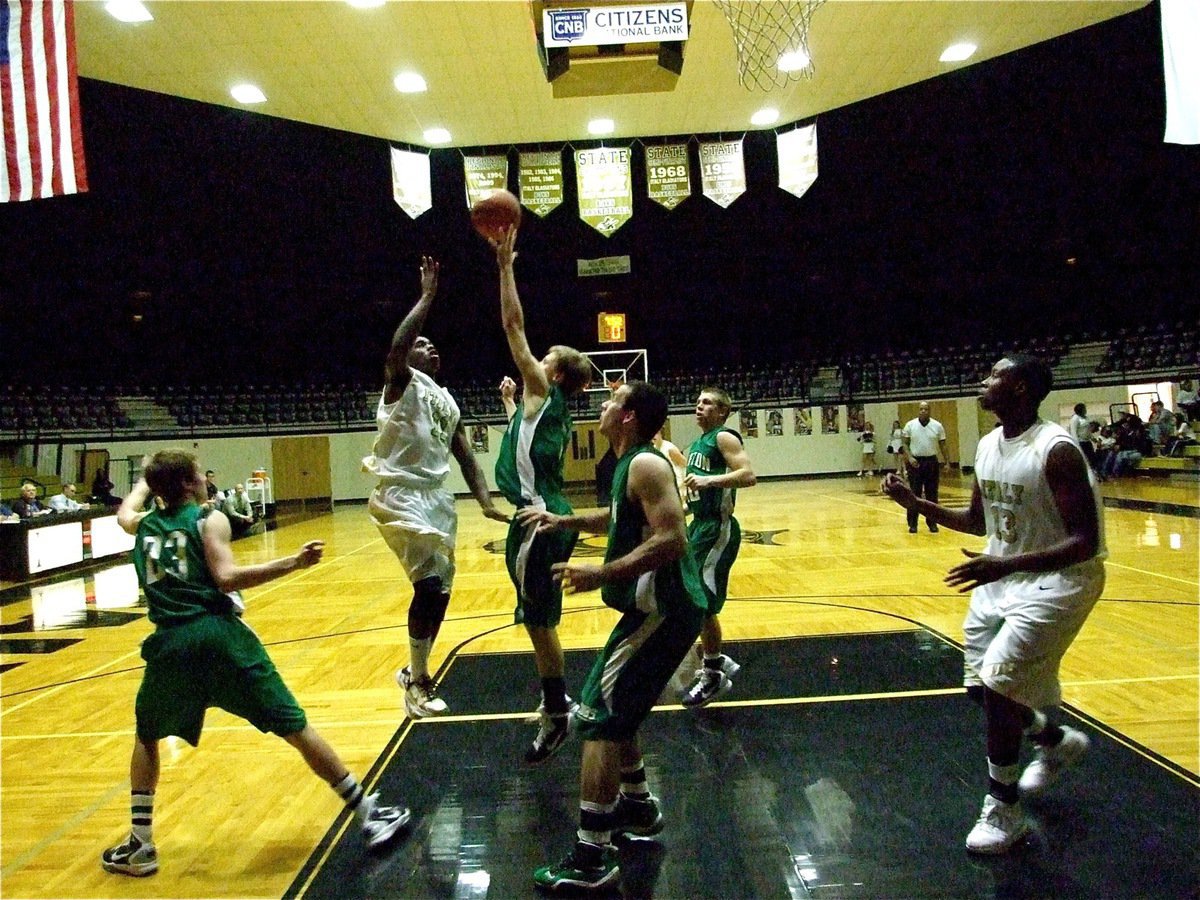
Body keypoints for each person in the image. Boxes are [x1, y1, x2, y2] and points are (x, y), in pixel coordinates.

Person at [100, 450, 410, 878]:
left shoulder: (144, 526)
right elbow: (226, 578)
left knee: (147, 736)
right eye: (199, 475)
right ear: (190, 484)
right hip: (219, 640)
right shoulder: (209, 520)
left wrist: (142, 485)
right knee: (294, 725)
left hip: (169, 646)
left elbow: (124, 515)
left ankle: (141, 844)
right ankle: (368, 813)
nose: (207, 480)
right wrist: (292, 563)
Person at [882, 355, 1105, 855]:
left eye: (994, 377)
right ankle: (1053, 740)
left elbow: (1085, 542)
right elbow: (979, 523)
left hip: (1060, 582)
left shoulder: (1057, 451)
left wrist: (1003, 566)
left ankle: (1004, 811)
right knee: (983, 693)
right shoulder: (987, 444)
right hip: (1003, 577)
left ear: (1021, 388)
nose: (983, 383)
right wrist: (915, 506)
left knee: (1001, 687)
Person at [517, 382, 705, 891]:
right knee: (615, 706)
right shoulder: (628, 464)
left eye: (611, 401)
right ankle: (638, 807)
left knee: (596, 716)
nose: (601, 405)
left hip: (663, 612)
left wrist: (601, 574)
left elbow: (672, 538)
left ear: (629, 417)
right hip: (655, 611)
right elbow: (621, 517)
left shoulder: (646, 463)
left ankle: (591, 856)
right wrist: (565, 518)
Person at [363, 255, 507, 719]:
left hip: (437, 499)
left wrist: (485, 504)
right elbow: (398, 345)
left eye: (433, 344)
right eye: (422, 344)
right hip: (400, 494)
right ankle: (418, 681)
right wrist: (426, 297)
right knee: (427, 586)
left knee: (440, 590)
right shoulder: (400, 381)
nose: (431, 348)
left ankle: (414, 672)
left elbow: (465, 455)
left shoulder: (445, 399)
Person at [492, 227, 594, 763]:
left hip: (539, 521)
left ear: (551, 372)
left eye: (543, 357)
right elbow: (522, 447)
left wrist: (505, 265)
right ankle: (555, 702)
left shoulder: (544, 390)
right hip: (541, 513)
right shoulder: (542, 407)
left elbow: (512, 324)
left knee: (538, 621)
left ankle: (555, 713)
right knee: (538, 616)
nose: (535, 358)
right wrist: (511, 408)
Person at [679, 386, 757, 708]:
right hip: (699, 526)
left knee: (701, 602)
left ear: (723, 411)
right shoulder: (696, 444)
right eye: (697, 402)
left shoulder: (724, 438)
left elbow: (748, 475)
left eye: (707, 403)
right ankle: (715, 658)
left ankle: (712, 672)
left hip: (718, 529)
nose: (699, 407)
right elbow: (697, 495)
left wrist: (709, 481)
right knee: (690, 596)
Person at [901, 402, 947, 533]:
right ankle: (912, 524)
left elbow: (943, 444)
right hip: (915, 462)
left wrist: (947, 461)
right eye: (921, 409)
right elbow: (904, 444)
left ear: (929, 411)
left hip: (931, 461)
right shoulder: (910, 425)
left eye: (926, 409)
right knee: (914, 494)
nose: (923, 411)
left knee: (932, 494)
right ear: (918, 411)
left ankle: (932, 523)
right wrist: (909, 457)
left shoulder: (937, 426)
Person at [651, 428, 687, 502]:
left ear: (661, 434)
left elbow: (685, 464)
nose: (654, 437)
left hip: (678, 486)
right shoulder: (654, 449)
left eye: (656, 433)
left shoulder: (669, 448)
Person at [1069, 403, 1097, 471]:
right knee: (1083, 459)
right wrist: (1076, 444)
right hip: (1080, 442)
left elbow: (1088, 430)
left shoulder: (1086, 418)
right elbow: (1073, 432)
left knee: (1092, 458)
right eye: (1084, 409)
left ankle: (1094, 473)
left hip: (1087, 441)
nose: (1085, 410)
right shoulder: (1075, 419)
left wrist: (1092, 438)